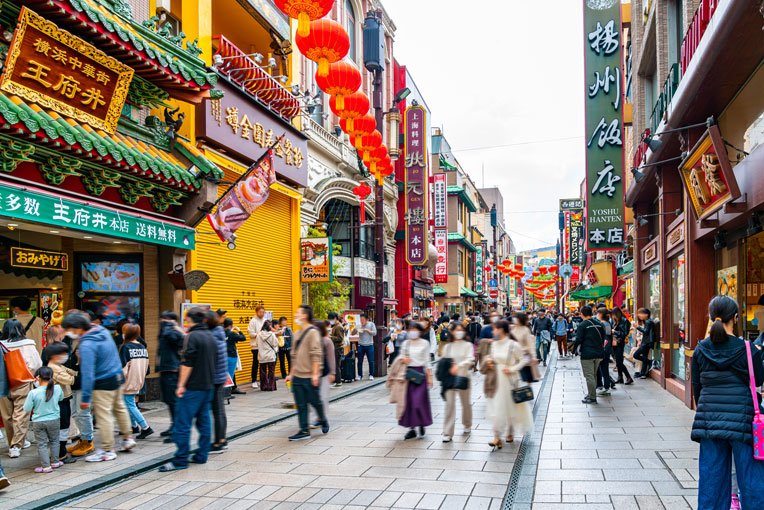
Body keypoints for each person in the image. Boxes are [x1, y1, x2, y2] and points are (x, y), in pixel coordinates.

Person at [692, 296, 764, 510]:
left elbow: (698, 389)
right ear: (736, 317)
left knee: (711, 482)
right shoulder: (749, 349)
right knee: (752, 481)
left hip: (709, 423)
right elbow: (758, 380)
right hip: (745, 423)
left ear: (711, 317)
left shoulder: (700, 349)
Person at [61, 311, 136, 462]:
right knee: (119, 408)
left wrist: (86, 398)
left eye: (69, 329)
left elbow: (88, 374)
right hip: (116, 376)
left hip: (102, 382)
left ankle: (107, 450)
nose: (68, 333)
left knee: (104, 415)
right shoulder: (101, 330)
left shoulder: (87, 345)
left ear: (77, 327)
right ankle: (128, 438)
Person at [158, 307, 216, 471]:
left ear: (189, 319)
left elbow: (187, 362)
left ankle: (181, 460)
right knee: (204, 422)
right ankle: (201, 455)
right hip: (208, 386)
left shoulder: (192, 336)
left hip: (192, 387)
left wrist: (181, 385)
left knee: (182, 424)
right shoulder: (210, 336)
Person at [484, 320, 532, 449]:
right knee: (495, 407)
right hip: (495, 379)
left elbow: (523, 361)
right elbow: (491, 357)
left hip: (510, 379)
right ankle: (496, 436)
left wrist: (511, 369)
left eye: (495, 329)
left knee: (509, 406)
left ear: (501, 330)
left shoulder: (513, 345)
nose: (493, 332)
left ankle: (510, 431)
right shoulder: (494, 344)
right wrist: (489, 361)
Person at [285, 305, 328, 441]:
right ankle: (304, 430)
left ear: (305, 315)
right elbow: (293, 356)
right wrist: (291, 374)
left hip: (310, 375)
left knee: (315, 402)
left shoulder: (313, 332)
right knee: (301, 404)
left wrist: (315, 374)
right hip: (297, 376)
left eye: (298, 313)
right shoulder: (296, 333)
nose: (295, 315)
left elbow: (316, 354)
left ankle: (322, 419)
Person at [0, 319, 42, 457]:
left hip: (2, 384)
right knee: (20, 415)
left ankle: (16, 441)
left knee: (7, 416)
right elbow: (36, 365)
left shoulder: (1, 345)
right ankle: (16, 445)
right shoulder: (28, 345)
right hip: (21, 383)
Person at [116, 324, 153, 441]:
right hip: (139, 380)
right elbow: (147, 369)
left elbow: (122, 368)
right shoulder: (142, 347)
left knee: (130, 404)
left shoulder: (125, 347)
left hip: (127, 381)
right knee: (129, 403)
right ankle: (133, 426)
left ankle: (145, 427)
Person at [23, 366, 63, 473]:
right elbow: (61, 398)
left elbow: (26, 408)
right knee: (55, 441)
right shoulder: (58, 388)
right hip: (54, 419)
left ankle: (46, 467)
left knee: (42, 444)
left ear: (38, 378)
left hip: (38, 421)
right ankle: (55, 462)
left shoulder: (33, 393)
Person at [398, 322, 433, 440]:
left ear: (419, 331)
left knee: (419, 402)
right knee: (410, 402)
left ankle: (422, 422)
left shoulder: (424, 343)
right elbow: (401, 357)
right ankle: (412, 428)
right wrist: (404, 359)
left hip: (420, 375)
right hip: (409, 374)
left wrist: (430, 377)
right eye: (410, 329)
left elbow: (427, 361)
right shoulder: (406, 344)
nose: (412, 331)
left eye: (414, 329)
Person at [44, 341, 77, 464]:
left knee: (64, 426)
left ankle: (60, 452)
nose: (66, 356)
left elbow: (72, 372)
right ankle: (60, 454)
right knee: (62, 427)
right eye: (63, 353)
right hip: (60, 401)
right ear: (54, 355)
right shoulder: (54, 368)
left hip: (64, 399)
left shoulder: (58, 366)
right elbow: (70, 379)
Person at [441, 323, 473, 443]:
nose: (459, 332)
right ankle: (447, 432)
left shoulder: (468, 345)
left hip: (464, 377)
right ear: (452, 332)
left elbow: (471, 359)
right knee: (449, 405)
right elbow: (443, 362)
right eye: (456, 330)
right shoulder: (448, 347)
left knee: (466, 404)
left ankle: (467, 424)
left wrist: (459, 365)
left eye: (461, 330)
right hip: (450, 379)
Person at [156, 311, 184, 443]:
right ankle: (174, 426)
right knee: (169, 401)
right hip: (166, 369)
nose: (161, 321)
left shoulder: (175, 332)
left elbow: (176, 339)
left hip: (173, 370)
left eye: (164, 319)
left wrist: (169, 325)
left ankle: (177, 430)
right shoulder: (166, 332)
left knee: (174, 402)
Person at [206, 311, 229, 454]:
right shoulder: (219, 333)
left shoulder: (212, 336)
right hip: (219, 377)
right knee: (219, 410)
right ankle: (222, 439)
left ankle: (219, 442)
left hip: (214, 378)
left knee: (218, 410)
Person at [573, 306, 606, 404]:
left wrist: (574, 349)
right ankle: (592, 393)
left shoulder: (582, 325)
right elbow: (603, 338)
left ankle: (592, 397)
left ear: (582, 314)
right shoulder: (599, 324)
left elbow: (578, 339)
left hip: (587, 353)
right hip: (598, 352)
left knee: (589, 376)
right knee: (594, 375)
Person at [312, 320, 335, 429]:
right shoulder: (313, 340)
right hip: (314, 372)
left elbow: (331, 357)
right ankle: (319, 417)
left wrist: (332, 373)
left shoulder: (326, 340)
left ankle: (322, 418)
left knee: (323, 396)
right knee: (315, 397)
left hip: (325, 372)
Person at [513, 312, 540, 384]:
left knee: (525, 379)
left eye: (516, 318)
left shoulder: (525, 329)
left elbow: (530, 345)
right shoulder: (512, 328)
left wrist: (534, 357)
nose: (514, 319)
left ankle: (526, 393)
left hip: (524, 357)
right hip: (513, 357)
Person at [223, 319, 246, 395]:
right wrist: (239, 330)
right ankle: (227, 393)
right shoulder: (232, 334)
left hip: (223, 356)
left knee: (225, 374)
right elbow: (243, 338)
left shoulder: (220, 333)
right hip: (232, 357)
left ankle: (227, 391)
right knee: (230, 375)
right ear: (231, 325)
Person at [611, 307, 633, 385]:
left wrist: (615, 331)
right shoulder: (616, 321)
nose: (612, 317)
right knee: (618, 361)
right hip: (615, 343)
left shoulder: (625, 321)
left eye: (613, 315)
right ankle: (620, 377)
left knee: (619, 362)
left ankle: (629, 377)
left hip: (620, 343)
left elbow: (624, 333)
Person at [247, 305, 267, 389]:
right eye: (260, 312)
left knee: (263, 363)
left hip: (264, 345)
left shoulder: (265, 320)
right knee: (255, 363)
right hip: (256, 346)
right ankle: (254, 380)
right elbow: (250, 333)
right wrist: (259, 335)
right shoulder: (253, 321)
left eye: (263, 312)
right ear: (256, 312)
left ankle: (263, 380)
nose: (262, 314)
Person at [596, 307, 615, 396]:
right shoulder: (607, 323)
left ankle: (606, 387)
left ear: (600, 314)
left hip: (604, 349)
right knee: (604, 368)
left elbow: (605, 338)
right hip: (606, 348)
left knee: (603, 368)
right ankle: (606, 386)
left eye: (597, 313)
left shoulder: (603, 324)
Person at [633, 308, 656, 378]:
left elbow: (645, 331)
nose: (639, 315)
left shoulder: (647, 322)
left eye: (641, 314)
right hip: (648, 342)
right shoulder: (649, 321)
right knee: (644, 356)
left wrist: (637, 327)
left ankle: (650, 362)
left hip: (646, 342)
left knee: (635, 355)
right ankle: (643, 374)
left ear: (646, 315)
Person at [256, 322, 279, 391]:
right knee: (271, 371)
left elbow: (257, 344)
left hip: (262, 355)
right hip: (270, 355)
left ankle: (264, 386)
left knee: (263, 372)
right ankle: (271, 387)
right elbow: (275, 344)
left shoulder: (259, 335)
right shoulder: (272, 334)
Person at [357, 313, 376, 380]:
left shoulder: (371, 324)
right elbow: (353, 333)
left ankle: (371, 374)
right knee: (359, 361)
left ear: (367, 319)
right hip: (360, 345)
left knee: (371, 361)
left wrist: (367, 330)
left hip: (369, 345)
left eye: (363, 320)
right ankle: (359, 375)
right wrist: (354, 330)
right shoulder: (359, 325)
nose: (361, 321)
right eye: (361, 320)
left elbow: (374, 333)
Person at [329, 312, 344, 388]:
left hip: (338, 348)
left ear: (335, 318)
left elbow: (340, 338)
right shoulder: (335, 326)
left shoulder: (338, 327)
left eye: (331, 319)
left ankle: (338, 382)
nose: (330, 320)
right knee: (335, 365)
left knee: (336, 365)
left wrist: (331, 337)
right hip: (336, 347)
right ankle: (337, 381)